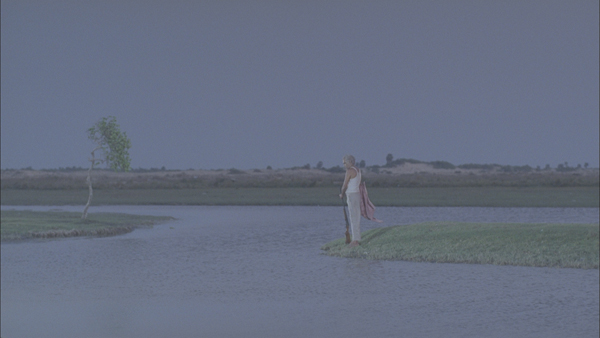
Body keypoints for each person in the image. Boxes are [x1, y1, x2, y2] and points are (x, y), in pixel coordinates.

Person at [339, 154, 361, 247]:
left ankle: (355, 240)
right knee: (356, 216)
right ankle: (356, 238)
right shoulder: (358, 170)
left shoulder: (350, 171)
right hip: (357, 194)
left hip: (352, 195)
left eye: (345, 163)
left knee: (353, 217)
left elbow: (345, 185)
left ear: (350, 162)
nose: (344, 165)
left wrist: (342, 194)